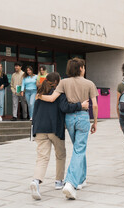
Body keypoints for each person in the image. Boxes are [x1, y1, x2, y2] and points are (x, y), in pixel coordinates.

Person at [37, 58, 98, 200]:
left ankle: (81, 179)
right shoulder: (89, 83)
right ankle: (70, 183)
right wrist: (95, 122)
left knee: (78, 148)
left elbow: (52, 98)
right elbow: (94, 105)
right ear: (81, 68)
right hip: (83, 118)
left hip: (69, 119)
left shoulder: (64, 82)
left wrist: (39, 96)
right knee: (79, 149)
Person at [30, 72, 89, 200]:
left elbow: (34, 112)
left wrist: (34, 128)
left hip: (40, 129)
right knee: (60, 155)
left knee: (42, 157)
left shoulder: (39, 93)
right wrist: (81, 105)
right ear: (57, 82)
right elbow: (65, 107)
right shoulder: (59, 93)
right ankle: (58, 181)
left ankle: (36, 181)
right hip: (54, 128)